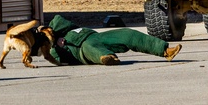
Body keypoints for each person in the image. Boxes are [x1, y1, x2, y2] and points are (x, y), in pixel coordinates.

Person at [46, 14, 181, 65]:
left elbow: (59, 20)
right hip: (82, 49)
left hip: (97, 36)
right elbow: (55, 60)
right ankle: (107, 58)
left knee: (128, 34)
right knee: (92, 48)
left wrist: (51, 31)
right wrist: (54, 45)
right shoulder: (53, 50)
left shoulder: (65, 29)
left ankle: (164, 50)